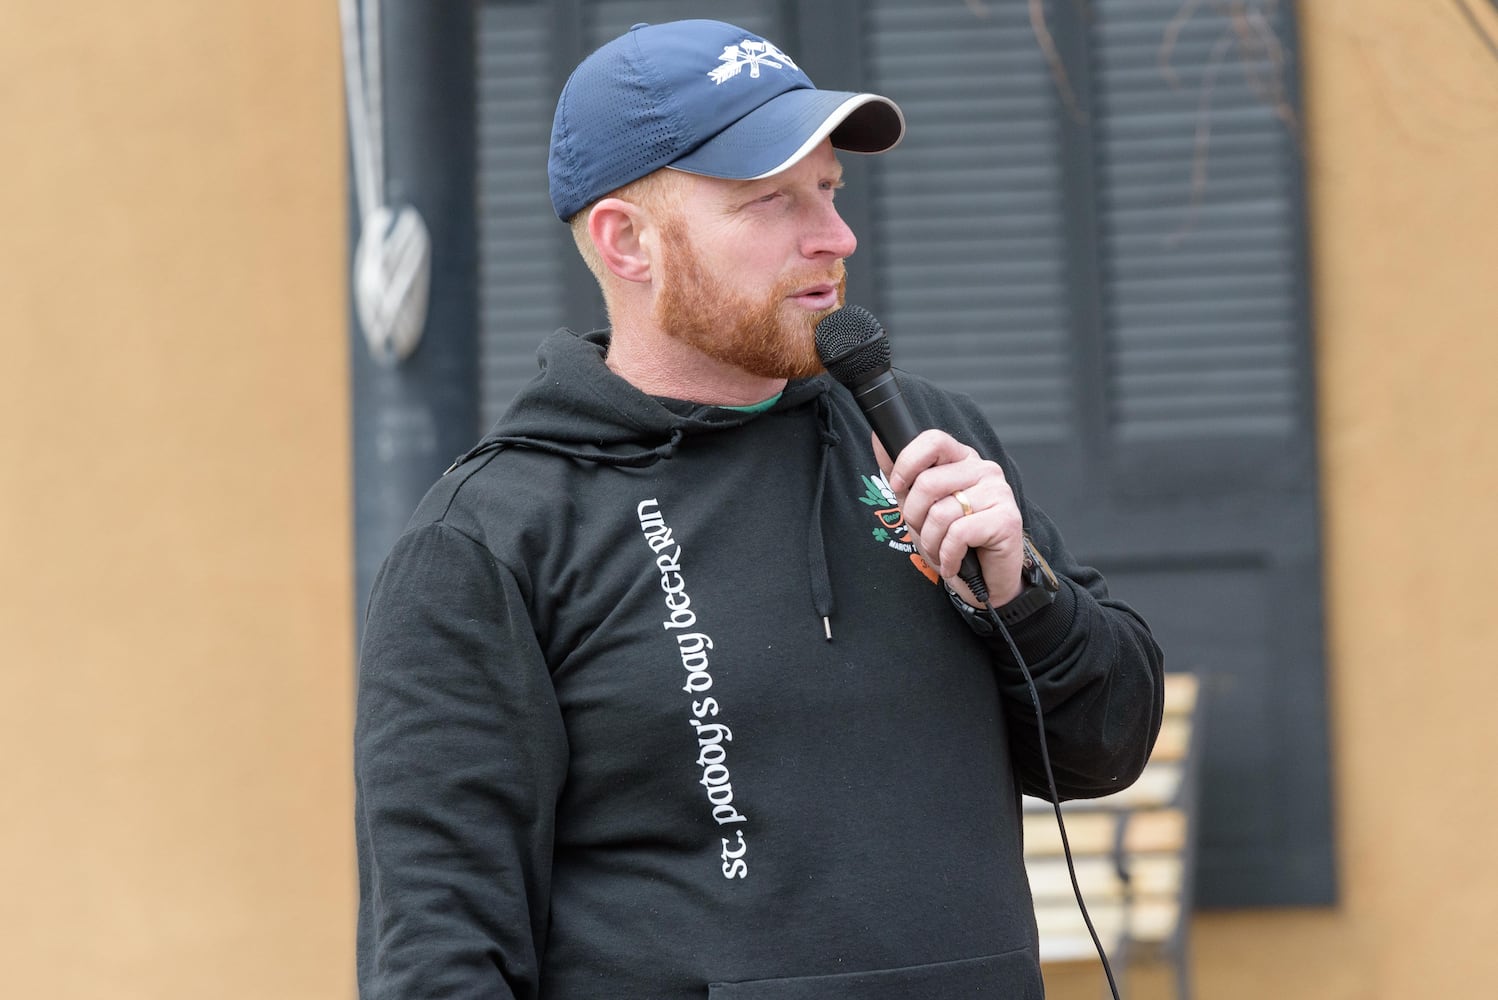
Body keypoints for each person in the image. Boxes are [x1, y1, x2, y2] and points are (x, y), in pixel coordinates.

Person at [355, 19, 1164, 1000]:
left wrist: (1022, 596)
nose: (834, 235)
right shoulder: (492, 539)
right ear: (628, 241)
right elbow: (441, 955)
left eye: (827, 189)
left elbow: (1106, 745)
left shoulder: (920, 437)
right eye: (771, 199)